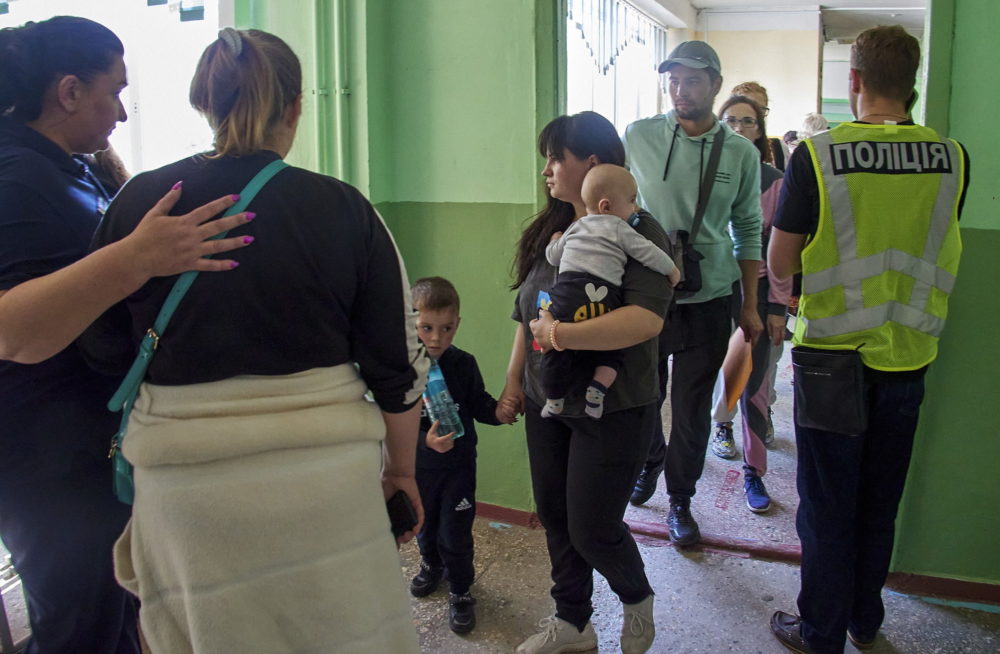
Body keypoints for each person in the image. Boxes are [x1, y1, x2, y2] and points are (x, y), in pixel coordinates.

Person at [78, 28, 427, 653]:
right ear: (295, 108)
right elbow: (395, 365)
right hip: (324, 491)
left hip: (189, 501)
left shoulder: (139, 203)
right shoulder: (345, 209)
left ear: (206, 104)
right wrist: (401, 472)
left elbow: (102, 348)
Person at [0, 16, 253, 653]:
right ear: (68, 92)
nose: (119, 111)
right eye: (113, 91)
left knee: (118, 611)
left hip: (86, 444)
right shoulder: (15, 178)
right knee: (78, 624)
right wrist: (138, 257)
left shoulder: (66, 168)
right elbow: (14, 330)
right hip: (43, 460)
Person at [767, 26, 969, 653]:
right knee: (879, 502)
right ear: (913, 84)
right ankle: (863, 620)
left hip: (832, 360)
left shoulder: (818, 157)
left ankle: (821, 632)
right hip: (909, 358)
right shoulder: (953, 158)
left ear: (852, 81)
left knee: (827, 507)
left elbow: (779, 265)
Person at [500, 111, 671, 654]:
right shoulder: (548, 233)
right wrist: (514, 384)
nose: (547, 169)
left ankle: (636, 597)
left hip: (613, 402)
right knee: (554, 514)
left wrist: (563, 337)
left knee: (593, 526)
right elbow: (525, 319)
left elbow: (646, 319)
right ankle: (573, 623)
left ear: (592, 163)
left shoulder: (637, 229)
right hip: (546, 395)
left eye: (556, 158)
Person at [623, 40, 764, 547]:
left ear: (715, 86)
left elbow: (748, 227)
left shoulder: (741, 152)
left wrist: (749, 303)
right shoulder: (637, 136)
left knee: (690, 405)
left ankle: (680, 498)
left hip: (709, 297)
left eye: (693, 81)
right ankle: (649, 462)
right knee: (644, 396)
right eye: (674, 80)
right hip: (646, 291)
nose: (681, 91)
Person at [408, 276, 517, 635]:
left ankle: (460, 589)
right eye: (426, 328)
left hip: (458, 469)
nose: (436, 338)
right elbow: (395, 424)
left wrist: (499, 414)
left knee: (455, 533)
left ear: (457, 324)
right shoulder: (403, 370)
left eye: (446, 328)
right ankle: (430, 565)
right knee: (425, 526)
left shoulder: (463, 364)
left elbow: (478, 403)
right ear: (412, 323)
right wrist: (426, 442)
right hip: (420, 469)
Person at [708, 95, 792, 513]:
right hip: (708, 291)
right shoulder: (703, 173)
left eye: (748, 121)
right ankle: (720, 427)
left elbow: (780, 251)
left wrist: (776, 306)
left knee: (755, 383)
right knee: (715, 374)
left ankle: (754, 472)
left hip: (752, 293)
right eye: (730, 120)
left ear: (760, 131)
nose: (739, 128)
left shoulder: (774, 180)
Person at [541, 164, 679, 420]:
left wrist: (553, 241)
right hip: (604, 299)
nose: (635, 208)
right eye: (632, 201)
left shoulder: (576, 226)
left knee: (557, 353)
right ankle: (598, 389)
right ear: (606, 206)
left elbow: (553, 257)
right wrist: (672, 270)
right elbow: (648, 253)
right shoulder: (620, 228)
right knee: (611, 351)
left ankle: (553, 398)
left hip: (567, 296)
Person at [731, 80, 789, 170]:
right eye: (746, 108)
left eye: (760, 110)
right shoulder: (717, 151)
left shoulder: (778, 149)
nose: (754, 115)